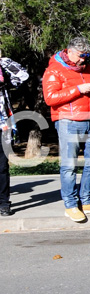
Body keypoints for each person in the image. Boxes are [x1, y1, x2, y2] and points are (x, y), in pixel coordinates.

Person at [42, 37, 90, 222]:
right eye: (80, 56)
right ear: (69, 51)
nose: (83, 59)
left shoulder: (88, 68)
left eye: (86, 56)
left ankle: (85, 201)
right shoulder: (54, 70)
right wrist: (78, 89)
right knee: (69, 165)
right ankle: (70, 205)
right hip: (68, 121)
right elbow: (51, 98)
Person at [0, 54, 29, 216]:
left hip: (2, 123)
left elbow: (23, 75)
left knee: (2, 166)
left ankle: (4, 203)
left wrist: (7, 81)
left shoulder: (2, 65)